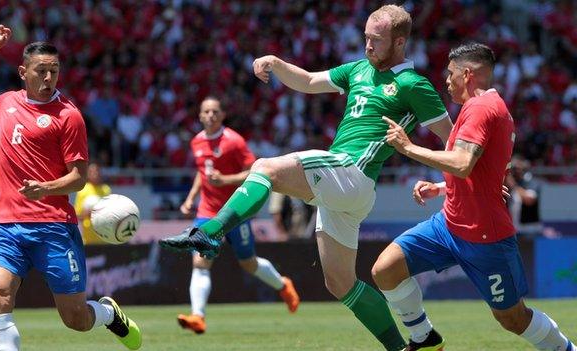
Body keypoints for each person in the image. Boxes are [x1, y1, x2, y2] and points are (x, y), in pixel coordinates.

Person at [160, 5, 454, 350]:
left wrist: (455, 182)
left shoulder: (413, 84)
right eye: (365, 38)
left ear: (400, 42)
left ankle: (208, 233)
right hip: (346, 189)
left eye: (376, 40)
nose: (368, 46)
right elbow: (311, 81)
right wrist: (276, 62)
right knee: (341, 283)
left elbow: (452, 140)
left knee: (265, 168)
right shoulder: (359, 69)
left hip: (352, 172)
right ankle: (408, 346)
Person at [372, 43, 576, 351]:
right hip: (449, 225)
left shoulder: (482, 109)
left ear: (467, 74)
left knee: (513, 319)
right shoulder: (483, 108)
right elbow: (480, 172)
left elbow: (463, 164)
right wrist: (441, 188)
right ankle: (425, 338)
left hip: (485, 238)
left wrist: (408, 147)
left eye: (451, 73)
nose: (446, 80)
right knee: (385, 270)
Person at [0, 25, 141, 350]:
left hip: (53, 227)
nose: (48, 79)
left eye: (54, 71)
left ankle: (107, 313)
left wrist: (44, 188)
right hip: (4, 224)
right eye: (41, 71)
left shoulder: (68, 116)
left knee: (75, 319)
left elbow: (79, 177)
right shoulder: (7, 103)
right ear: (23, 72)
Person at [175, 96, 300, 334]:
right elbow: (202, 173)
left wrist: (225, 180)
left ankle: (283, 285)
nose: (210, 115)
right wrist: (191, 198)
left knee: (248, 263)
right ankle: (198, 316)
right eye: (206, 112)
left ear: (222, 115)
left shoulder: (234, 141)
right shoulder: (196, 142)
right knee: (200, 263)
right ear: (200, 116)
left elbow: (254, 172)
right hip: (207, 213)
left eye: (215, 111)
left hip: (235, 212)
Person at [506, 155, 543, 237]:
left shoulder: (532, 182)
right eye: (513, 169)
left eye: (518, 168)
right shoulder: (508, 183)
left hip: (529, 229)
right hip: (511, 230)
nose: (515, 171)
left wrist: (513, 185)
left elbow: (529, 200)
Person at [74, 162, 112, 245]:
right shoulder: (82, 190)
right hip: (87, 240)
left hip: (103, 239)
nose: (95, 174)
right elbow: (77, 216)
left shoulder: (106, 189)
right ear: (88, 174)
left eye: (97, 171)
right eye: (92, 171)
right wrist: (87, 213)